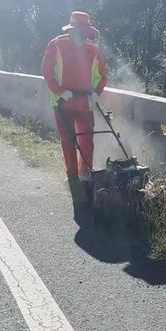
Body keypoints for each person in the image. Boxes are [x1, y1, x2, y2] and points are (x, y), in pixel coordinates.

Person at [42, 12, 108, 209]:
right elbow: (47, 72)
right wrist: (60, 92)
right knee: (69, 141)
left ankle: (85, 174)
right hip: (63, 103)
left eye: (85, 33)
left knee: (87, 140)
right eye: (78, 32)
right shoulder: (56, 45)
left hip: (84, 102)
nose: (82, 36)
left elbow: (103, 76)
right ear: (71, 31)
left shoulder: (93, 50)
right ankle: (72, 179)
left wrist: (96, 93)